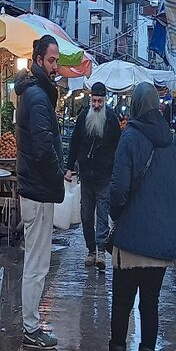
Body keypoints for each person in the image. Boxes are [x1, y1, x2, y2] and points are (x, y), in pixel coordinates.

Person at [103, 82, 176, 351]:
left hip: (133, 238)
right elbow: (175, 192)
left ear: (135, 106)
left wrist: (114, 214)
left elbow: (119, 188)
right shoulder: (170, 141)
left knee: (122, 303)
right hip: (160, 243)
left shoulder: (130, 137)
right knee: (150, 305)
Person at [15, 34, 63, 350]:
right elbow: (44, 149)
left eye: (57, 61)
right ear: (37, 59)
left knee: (36, 262)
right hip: (38, 190)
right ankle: (31, 328)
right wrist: (58, 175)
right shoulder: (37, 98)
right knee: (36, 264)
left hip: (34, 188)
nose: (55, 66)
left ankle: (32, 325)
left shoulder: (34, 95)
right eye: (51, 60)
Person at [66, 81, 121, 270]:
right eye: (94, 101)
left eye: (99, 101)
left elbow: (118, 147)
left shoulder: (112, 119)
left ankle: (100, 251)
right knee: (86, 216)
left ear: (104, 101)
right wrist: (69, 167)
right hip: (86, 176)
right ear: (90, 100)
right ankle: (90, 249)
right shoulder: (83, 117)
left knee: (103, 215)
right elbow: (74, 143)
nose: (96, 105)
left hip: (105, 176)